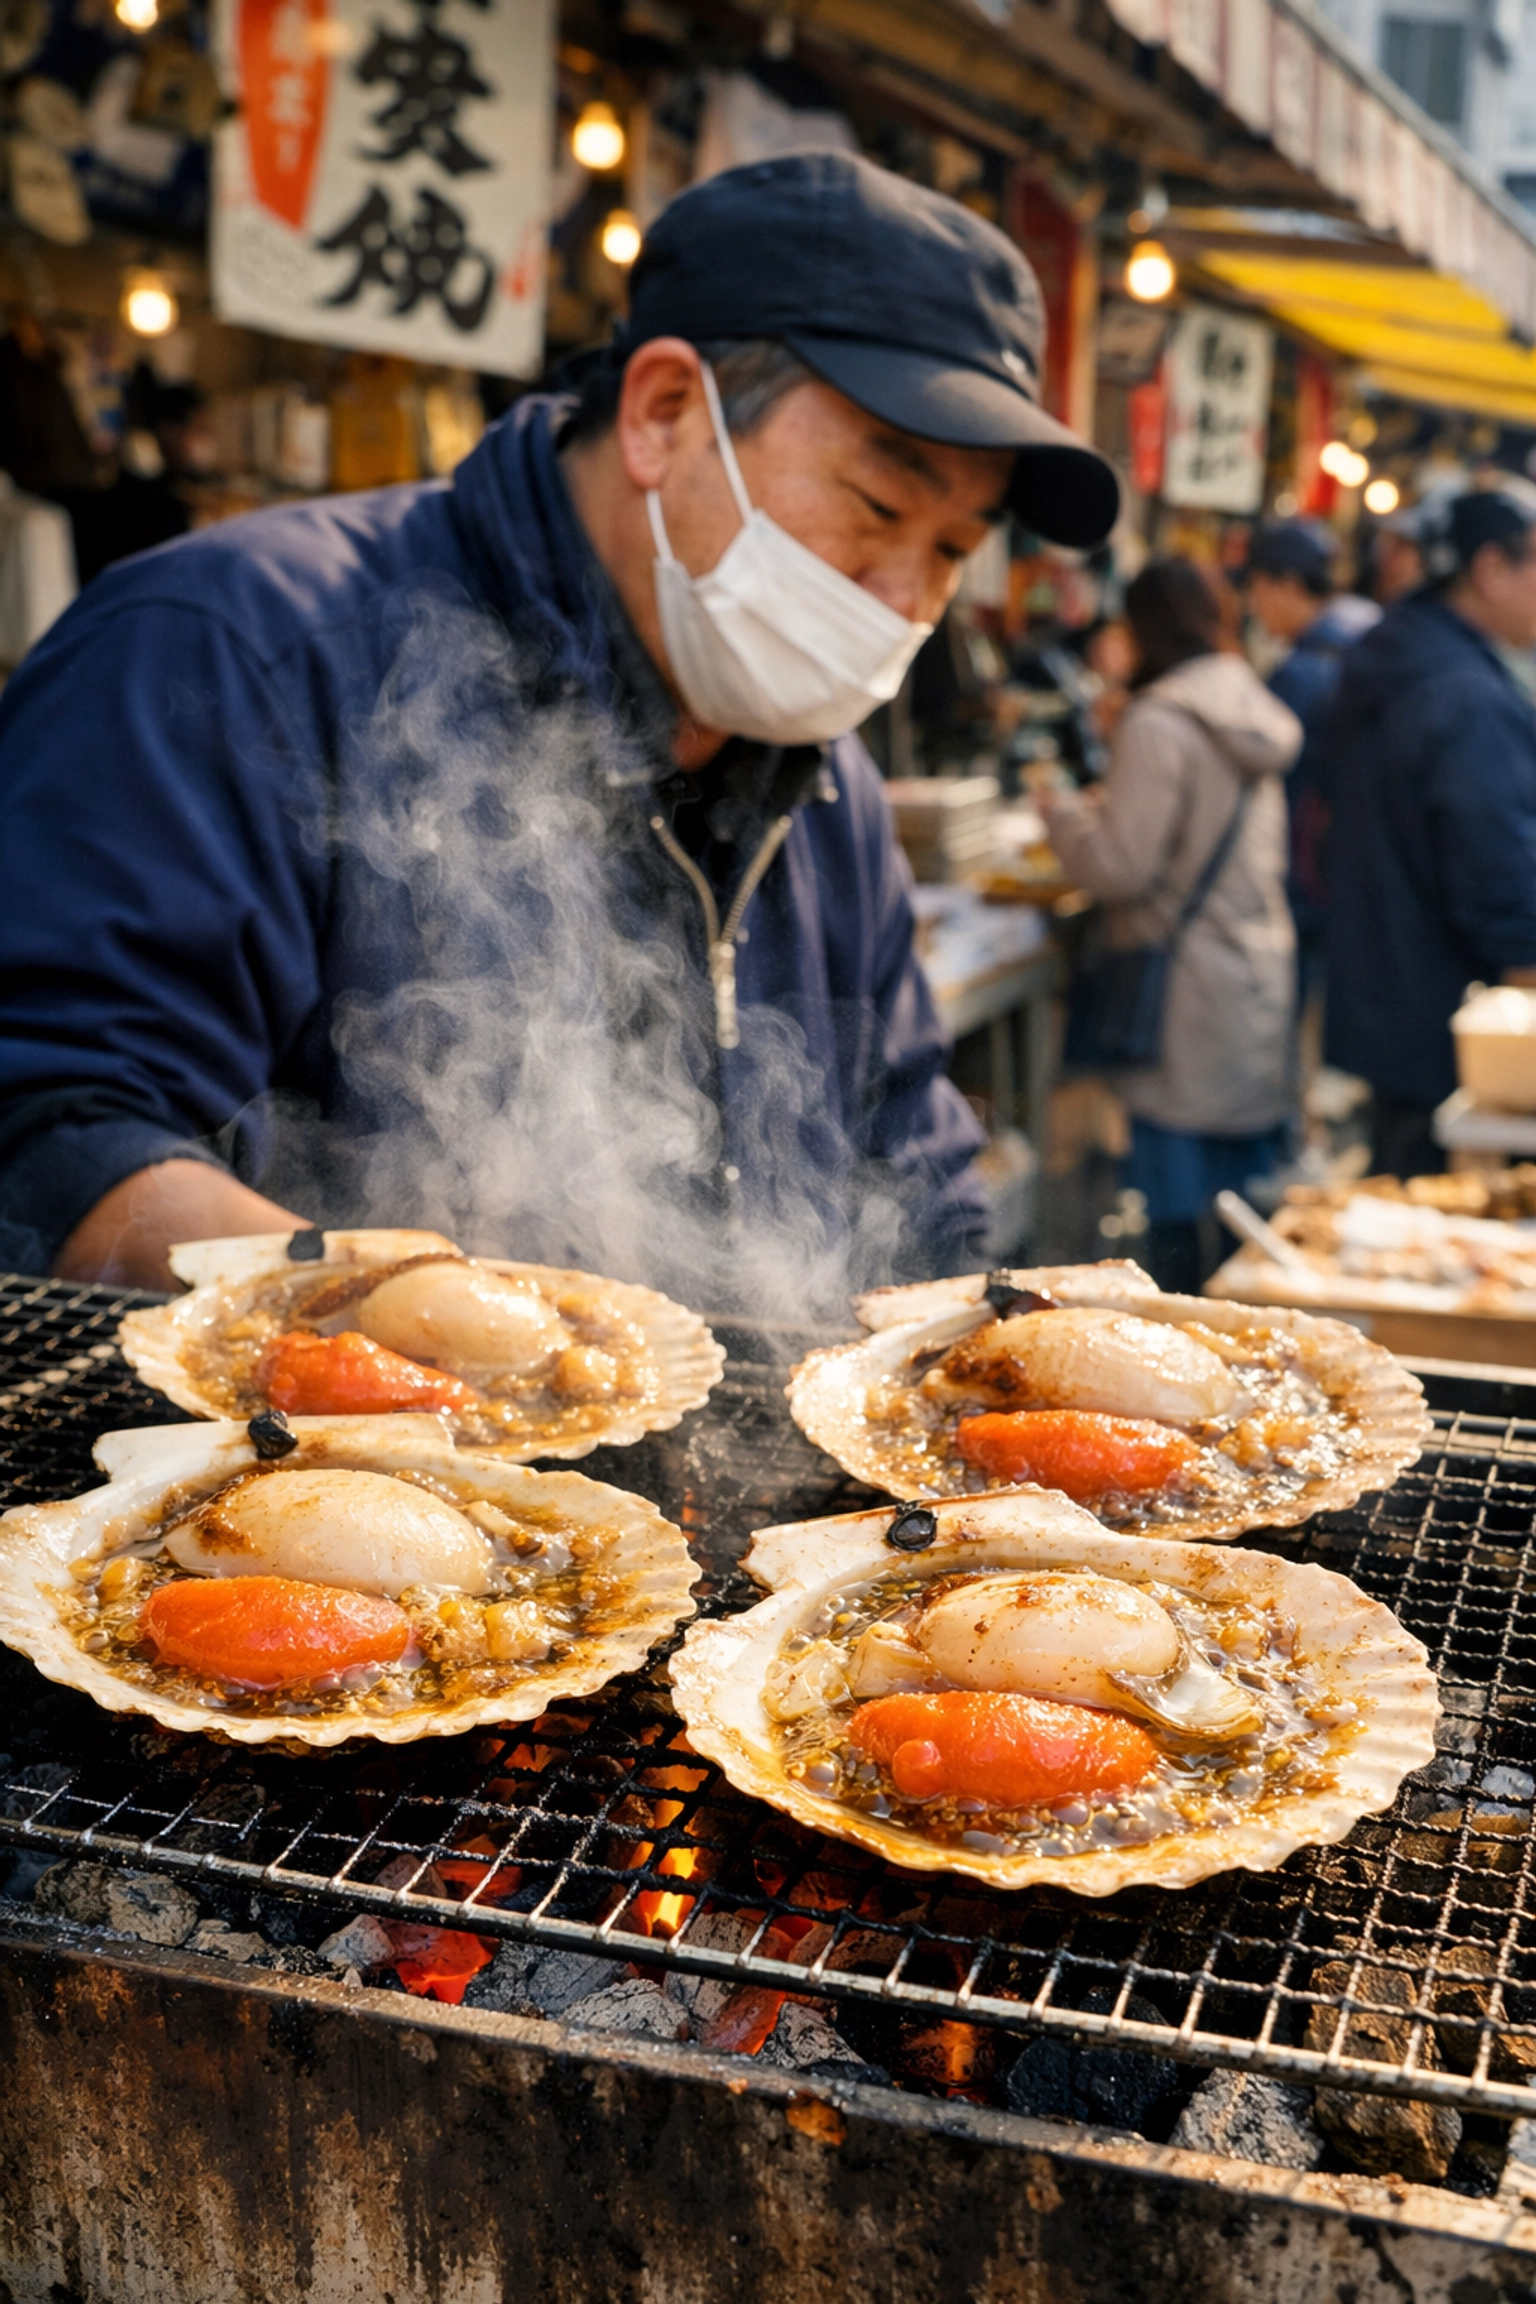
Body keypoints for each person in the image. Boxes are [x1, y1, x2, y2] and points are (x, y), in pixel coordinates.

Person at [0, 152, 1119, 1307]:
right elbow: (53, 1122)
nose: (906, 600)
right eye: (879, 507)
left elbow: (919, 1178)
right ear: (664, 413)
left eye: (951, 549)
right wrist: (422, 1335)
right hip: (311, 1471)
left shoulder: (832, 788)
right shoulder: (233, 651)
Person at [1043, 559, 1301, 1294]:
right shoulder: (1247, 702)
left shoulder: (1159, 719)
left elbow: (1122, 866)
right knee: (1245, 1200)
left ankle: (1189, 1349)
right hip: (1254, 969)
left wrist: (1064, 817)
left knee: (1177, 1203)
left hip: (1181, 985)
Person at [1321, 487, 1536, 1180]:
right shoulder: (1463, 694)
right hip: (1456, 1029)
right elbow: (1500, 883)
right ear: (1490, 569)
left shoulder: (1393, 656)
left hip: (1386, 1004)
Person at [1243, 518, 1379, 1017]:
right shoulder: (1360, 640)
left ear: (1287, 584)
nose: (1252, 606)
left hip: (1299, 871)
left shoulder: (1303, 672)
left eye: (1256, 588)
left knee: (1284, 1015)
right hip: (1343, 868)